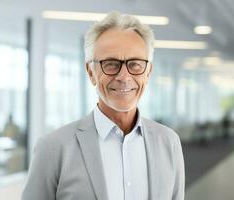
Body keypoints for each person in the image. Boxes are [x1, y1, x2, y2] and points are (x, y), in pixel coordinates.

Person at [22, 11, 185, 200]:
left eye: (135, 64)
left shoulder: (169, 142)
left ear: (148, 72)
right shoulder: (53, 148)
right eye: (110, 64)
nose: (124, 77)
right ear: (91, 72)